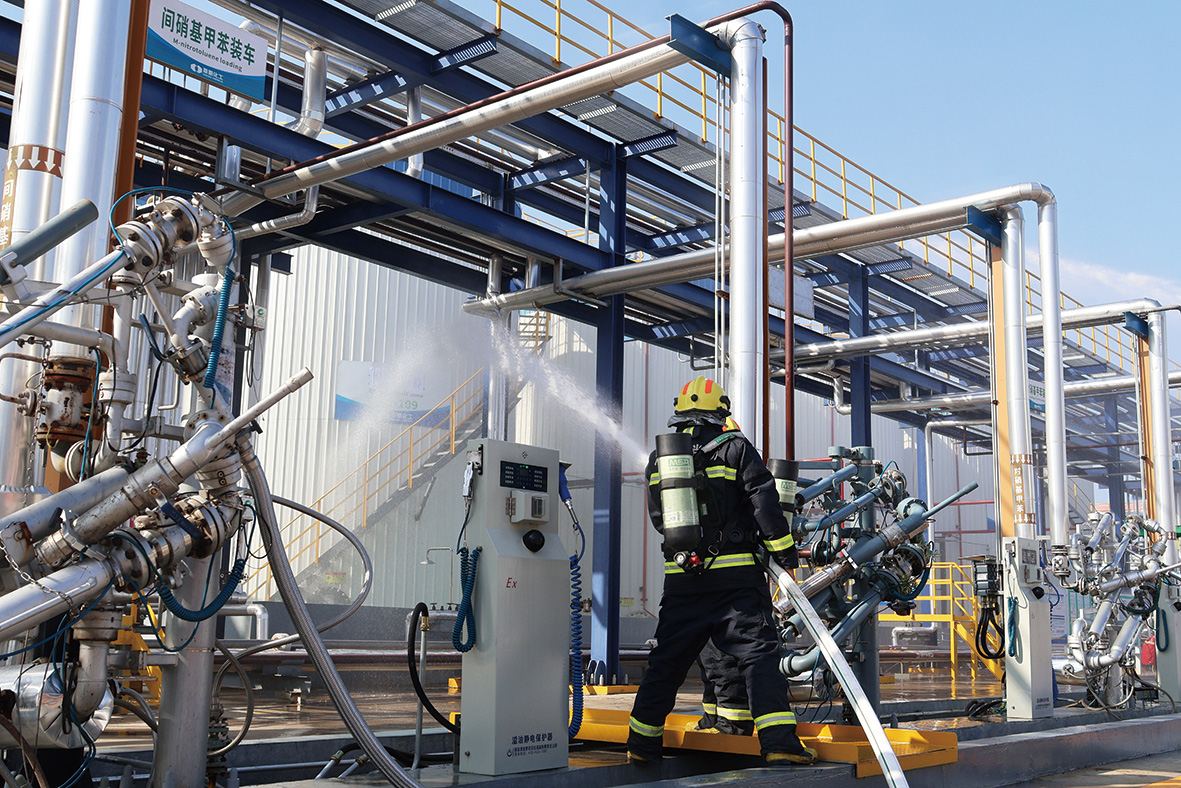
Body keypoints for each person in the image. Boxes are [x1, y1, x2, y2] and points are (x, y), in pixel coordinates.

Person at [627, 376, 817, 767]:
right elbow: (764, 505)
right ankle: (780, 743)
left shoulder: (661, 458)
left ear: (680, 413)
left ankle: (641, 746)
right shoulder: (736, 448)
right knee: (759, 658)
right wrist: (785, 554)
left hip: (683, 581)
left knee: (666, 663)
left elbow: (661, 519)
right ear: (720, 412)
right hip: (737, 585)